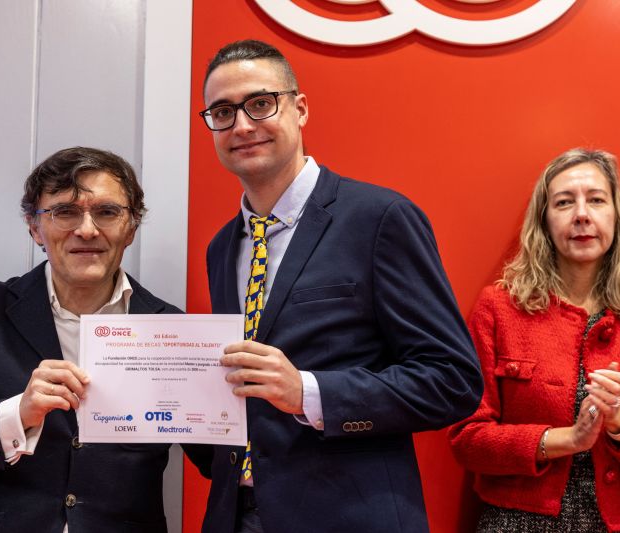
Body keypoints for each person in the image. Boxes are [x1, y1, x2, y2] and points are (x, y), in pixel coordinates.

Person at [196, 39, 483, 533]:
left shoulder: (380, 219)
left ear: (300, 108)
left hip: (347, 516)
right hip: (235, 515)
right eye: (222, 112)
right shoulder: (223, 246)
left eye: (260, 103)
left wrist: (308, 392)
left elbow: (451, 380)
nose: (241, 126)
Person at [0, 147, 190, 532]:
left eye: (107, 212)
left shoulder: (171, 330)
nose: (87, 230)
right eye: (65, 212)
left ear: (131, 228)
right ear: (34, 227)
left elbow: (218, 457)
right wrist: (18, 413)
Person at [448, 148, 620, 532]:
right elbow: (467, 439)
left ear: (617, 216)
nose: (581, 214)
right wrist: (566, 440)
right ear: (544, 221)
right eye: (564, 202)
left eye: (596, 200)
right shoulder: (499, 308)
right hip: (514, 522)